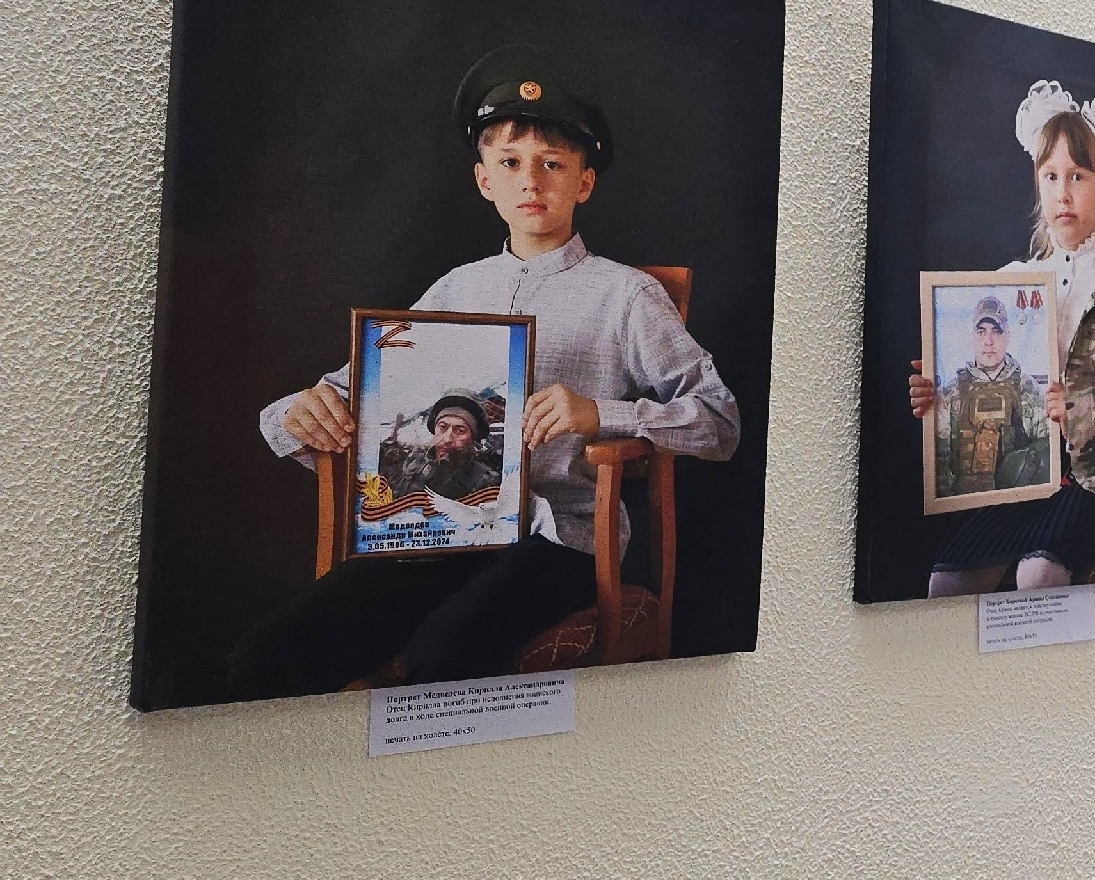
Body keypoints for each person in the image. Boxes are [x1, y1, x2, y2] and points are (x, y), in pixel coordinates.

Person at [230, 46, 742, 699]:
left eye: (552, 164)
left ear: (584, 182)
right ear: (483, 180)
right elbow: (348, 388)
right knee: (270, 654)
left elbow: (719, 420)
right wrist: (296, 410)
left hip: (561, 540)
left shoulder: (627, 295)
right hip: (444, 528)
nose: (531, 182)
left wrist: (601, 414)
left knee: (444, 653)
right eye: (510, 163)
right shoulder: (455, 289)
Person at [911, 80, 1095, 592]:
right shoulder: (1008, 285)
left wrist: (1076, 414)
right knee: (943, 585)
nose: (1063, 192)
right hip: (1018, 481)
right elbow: (983, 399)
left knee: (1037, 575)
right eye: (1051, 175)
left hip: (1092, 490)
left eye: (1078, 176)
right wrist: (937, 399)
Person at [933, 296, 1051, 498]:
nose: (988, 341)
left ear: (1008, 336)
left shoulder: (1027, 388)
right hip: (963, 506)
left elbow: (1046, 452)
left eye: (996, 331)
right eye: (981, 332)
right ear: (973, 337)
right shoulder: (951, 393)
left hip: (1015, 505)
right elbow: (938, 461)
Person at [374, 391, 501, 504]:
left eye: (460, 430)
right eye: (443, 427)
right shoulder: (414, 461)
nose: (447, 439)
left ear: (472, 438)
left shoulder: (484, 481)